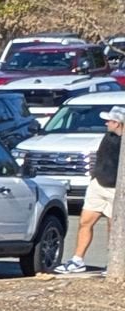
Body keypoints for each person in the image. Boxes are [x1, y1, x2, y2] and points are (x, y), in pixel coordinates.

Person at [59, 104, 122, 274]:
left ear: (118, 123)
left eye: (109, 121)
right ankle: (77, 260)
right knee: (85, 222)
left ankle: (114, 264)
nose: (106, 124)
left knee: (114, 227)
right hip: (98, 185)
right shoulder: (108, 136)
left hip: (116, 189)